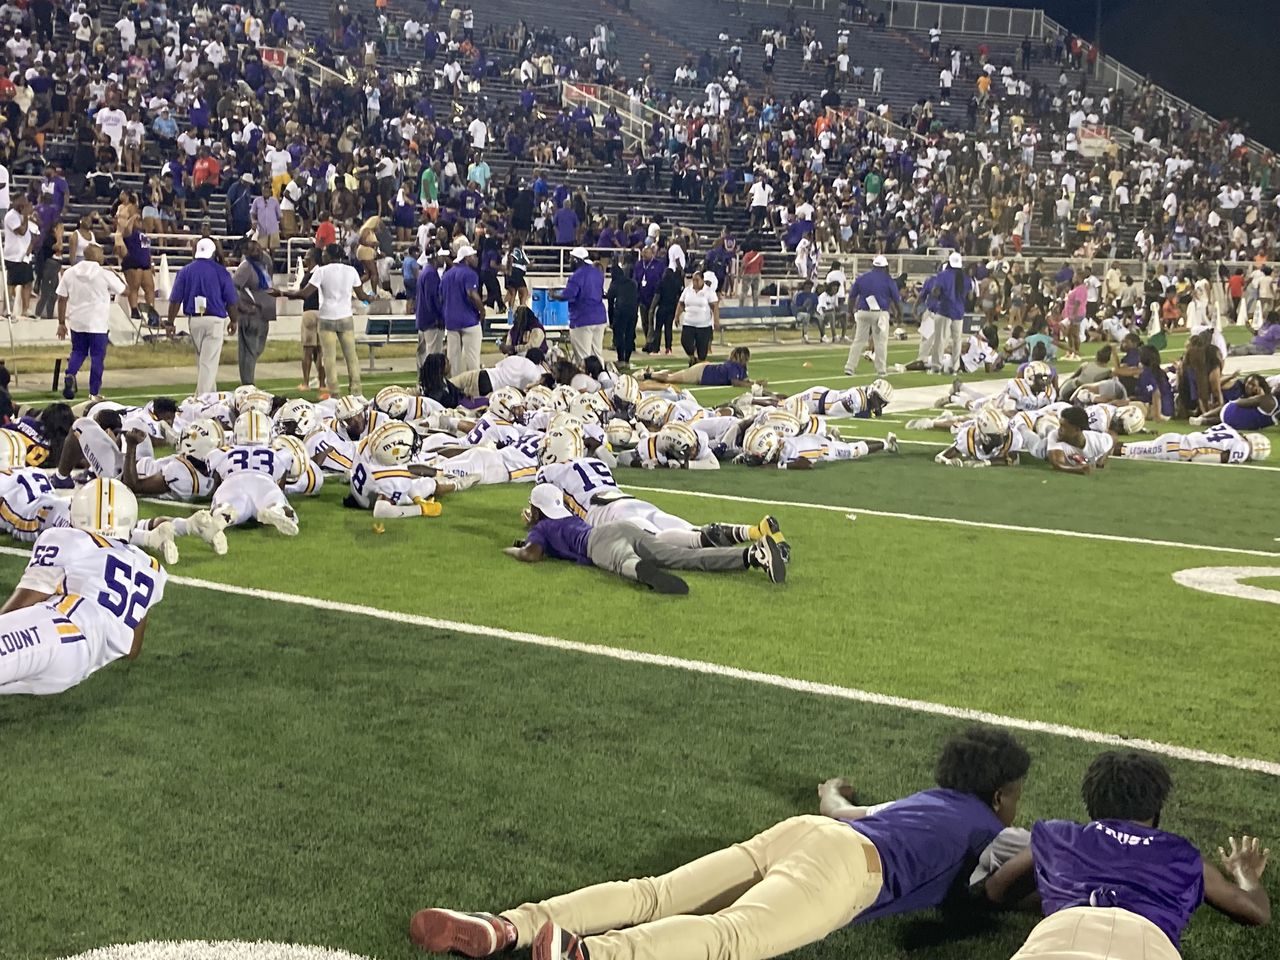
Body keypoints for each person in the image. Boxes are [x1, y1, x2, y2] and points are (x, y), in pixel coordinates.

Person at [411, 725, 1030, 960]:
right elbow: (1029, 871)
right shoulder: (994, 830)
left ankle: (505, 927)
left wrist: (832, 790)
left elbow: (837, 808)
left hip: (808, 832)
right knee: (733, 937)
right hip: (849, 867)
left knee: (652, 893)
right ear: (1002, 795)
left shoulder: (923, 802)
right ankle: (587, 957)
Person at [981, 751, 1271, 959]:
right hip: (1147, 946)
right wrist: (1246, 874)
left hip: (1057, 940)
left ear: (1092, 809)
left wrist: (1056, 895)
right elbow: (1255, 913)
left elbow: (995, 891)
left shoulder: (1059, 835)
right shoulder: (1183, 855)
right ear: (1155, 813)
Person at [0, 479, 168, 695]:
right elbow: (132, 649)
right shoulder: (149, 566)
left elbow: (26, 601)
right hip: (79, 668)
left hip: (62, 630)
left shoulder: (68, 539)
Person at [500, 482, 786, 593]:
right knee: (686, 557)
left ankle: (642, 573)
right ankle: (751, 554)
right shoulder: (569, 516)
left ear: (536, 508)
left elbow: (532, 554)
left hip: (596, 543)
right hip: (621, 526)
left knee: (620, 560)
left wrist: (512, 550)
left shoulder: (541, 530)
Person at [285, 244, 364, 399]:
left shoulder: (321, 271)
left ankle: (334, 392)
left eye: (325, 253)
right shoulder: (351, 271)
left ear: (330, 256)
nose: (323, 256)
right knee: (351, 356)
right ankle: (356, 390)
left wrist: (282, 293)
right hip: (345, 316)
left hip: (327, 316)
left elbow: (305, 293)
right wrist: (371, 297)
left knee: (329, 357)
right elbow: (361, 295)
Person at [166, 238, 238, 395]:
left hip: (195, 320)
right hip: (214, 320)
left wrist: (170, 322)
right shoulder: (220, 271)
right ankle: (202, 400)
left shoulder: (185, 271)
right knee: (208, 363)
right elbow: (231, 300)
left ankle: (210, 396)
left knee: (203, 361)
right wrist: (234, 320)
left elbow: (175, 299)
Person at [56, 244, 125, 400]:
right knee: (97, 357)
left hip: (77, 321)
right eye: (101, 253)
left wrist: (61, 323)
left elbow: (61, 298)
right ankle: (94, 392)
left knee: (78, 352)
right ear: (95, 255)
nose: (103, 256)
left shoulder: (70, 273)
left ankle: (70, 374)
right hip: (97, 323)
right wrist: (116, 274)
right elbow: (124, 290)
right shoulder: (104, 273)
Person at [232, 240, 279, 386]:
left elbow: (269, 278)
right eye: (254, 251)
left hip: (265, 312)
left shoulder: (265, 260)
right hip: (251, 314)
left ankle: (248, 380)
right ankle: (248, 384)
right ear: (246, 253)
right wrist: (243, 306)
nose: (258, 252)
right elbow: (233, 288)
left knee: (258, 348)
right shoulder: (245, 267)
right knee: (249, 350)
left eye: (258, 249)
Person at [845, 255, 901, 377]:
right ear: (885, 267)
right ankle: (881, 369)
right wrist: (898, 314)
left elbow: (852, 296)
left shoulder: (862, 278)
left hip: (863, 312)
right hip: (880, 313)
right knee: (880, 341)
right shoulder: (888, 280)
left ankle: (850, 367)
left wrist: (850, 312)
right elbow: (896, 300)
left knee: (858, 341)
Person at [554, 247, 607, 363]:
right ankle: (602, 379)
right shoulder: (597, 273)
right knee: (597, 355)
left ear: (577, 260)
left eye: (571, 259)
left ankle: (586, 380)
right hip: (600, 317)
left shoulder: (577, 275)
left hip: (582, 318)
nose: (569, 262)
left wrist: (554, 295)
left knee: (583, 357)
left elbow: (568, 295)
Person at [441, 245, 484, 375]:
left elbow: (441, 296)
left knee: (453, 359)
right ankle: (473, 388)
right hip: (469, 320)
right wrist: (482, 310)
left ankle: (455, 388)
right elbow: (471, 294)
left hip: (451, 321)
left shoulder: (447, 275)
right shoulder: (470, 274)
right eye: (473, 256)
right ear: (466, 258)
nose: (476, 258)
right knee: (472, 358)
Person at [638, 346, 754, 389]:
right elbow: (736, 383)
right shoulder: (732, 366)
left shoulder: (741, 367)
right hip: (701, 373)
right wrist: (752, 385)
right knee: (670, 378)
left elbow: (744, 380)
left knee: (674, 375)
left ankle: (656, 372)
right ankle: (648, 375)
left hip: (704, 370)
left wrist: (756, 383)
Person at [295, 248, 326, 391]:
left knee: (307, 350)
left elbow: (303, 293)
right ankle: (322, 384)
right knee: (320, 351)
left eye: (307, 257)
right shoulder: (324, 273)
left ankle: (306, 383)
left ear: (312, 259)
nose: (305, 260)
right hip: (323, 313)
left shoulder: (310, 276)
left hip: (310, 313)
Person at [675, 268, 718, 363]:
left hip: (703, 325)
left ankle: (699, 365)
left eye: (697, 280)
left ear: (702, 280)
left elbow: (714, 306)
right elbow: (681, 304)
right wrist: (677, 316)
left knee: (702, 350)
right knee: (685, 342)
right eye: (693, 280)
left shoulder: (709, 292)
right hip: (688, 323)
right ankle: (692, 357)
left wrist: (716, 320)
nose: (695, 282)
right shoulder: (687, 290)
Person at [3, 196, 35, 319]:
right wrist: (26, 216)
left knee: (27, 282)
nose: (25, 203)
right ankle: (7, 310)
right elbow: (21, 231)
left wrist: (30, 246)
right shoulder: (11, 216)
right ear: (15, 201)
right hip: (13, 256)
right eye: (23, 201)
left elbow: (31, 233)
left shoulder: (21, 215)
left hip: (24, 255)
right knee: (12, 283)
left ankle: (25, 309)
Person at [416, 248, 447, 368]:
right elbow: (433, 298)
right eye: (442, 256)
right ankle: (431, 382)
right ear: (434, 257)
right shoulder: (431, 274)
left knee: (423, 355)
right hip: (431, 321)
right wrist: (439, 317)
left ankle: (422, 381)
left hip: (423, 319)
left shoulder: (424, 272)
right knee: (433, 354)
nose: (444, 259)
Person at [606, 260, 639, 365]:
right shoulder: (632, 283)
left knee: (619, 336)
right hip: (633, 312)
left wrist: (611, 321)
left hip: (620, 312)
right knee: (629, 336)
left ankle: (621, 359)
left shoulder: (615, 284)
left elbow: (610, 303)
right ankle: (627, 360)